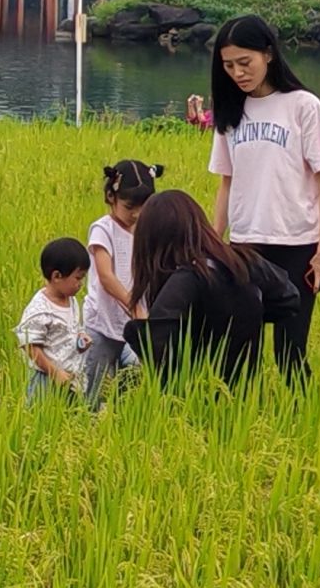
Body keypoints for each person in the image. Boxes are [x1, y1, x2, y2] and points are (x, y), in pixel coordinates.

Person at [201, 13, 320, 380]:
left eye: (245, 63)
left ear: (269, 54)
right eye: (228, 65)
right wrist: (215, 242)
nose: (237, 73)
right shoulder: (231, 113)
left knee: (290, 353)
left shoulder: (303, 106)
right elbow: (227, 183)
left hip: (297, 245)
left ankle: (301, 422)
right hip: (245, 246)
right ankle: (239, 419)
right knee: (240, 351)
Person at [122, 189, 300, 385]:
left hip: (195, 396)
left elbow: (156, 343)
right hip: (247, 396)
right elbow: (289, 298)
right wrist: (248, 311)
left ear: (153, 242)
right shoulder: (243, 261)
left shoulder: (185, 279)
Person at [80, 160, 162, 405]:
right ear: (110, 197)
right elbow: (106, 276)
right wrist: (134, 305)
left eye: (143, 207)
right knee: (94, 388)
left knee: (138, 373)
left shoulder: (146, 231)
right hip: (102, 324)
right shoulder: (103, 230)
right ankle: (89, 422)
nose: (136, 214)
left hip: (133, 325)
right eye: (129, 207)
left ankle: (119, 417)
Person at [17, 236, 88, 401]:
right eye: (78, 278)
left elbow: (73, 328)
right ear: (57, 276)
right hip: (46, 379)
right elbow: (30, 346)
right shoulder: (40, 310)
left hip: (71, 377)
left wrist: (81, 339)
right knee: (44, 419)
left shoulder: (71, 300)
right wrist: (54, 372)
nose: (81, 284)